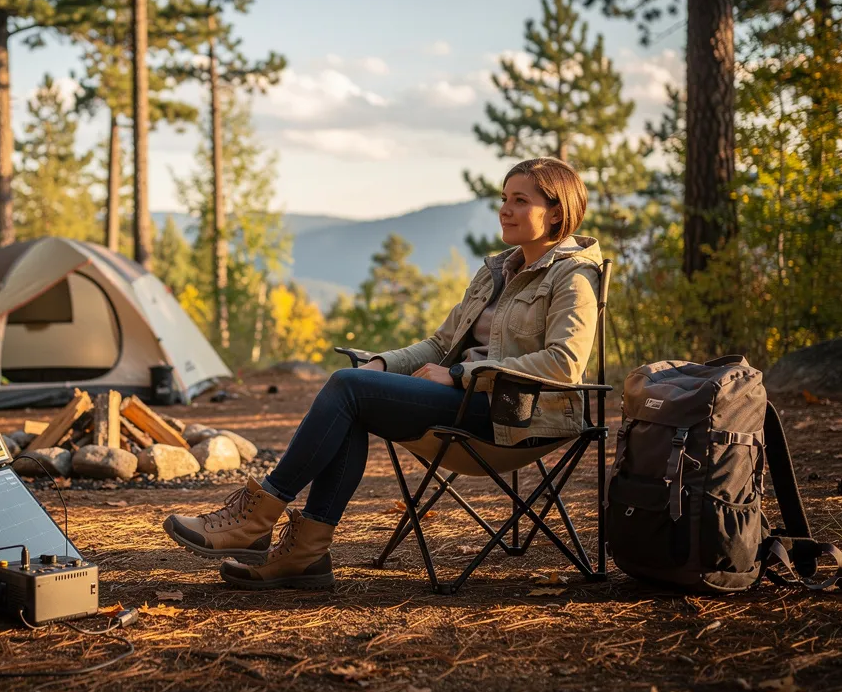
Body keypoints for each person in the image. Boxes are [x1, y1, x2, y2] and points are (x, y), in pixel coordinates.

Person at [162, 157, 604, 590]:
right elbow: (437, 344)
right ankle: (304, 556)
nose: (505, 209)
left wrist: (462, 376)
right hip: (467, 405)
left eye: (520, 200)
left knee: (347, 389)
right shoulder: (495, 273)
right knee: (353, 395)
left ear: (556, 212)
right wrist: (383, 364)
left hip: (516, 415)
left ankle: (256, 519)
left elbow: (563, 363)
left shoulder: (573, 276)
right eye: (504, 198)